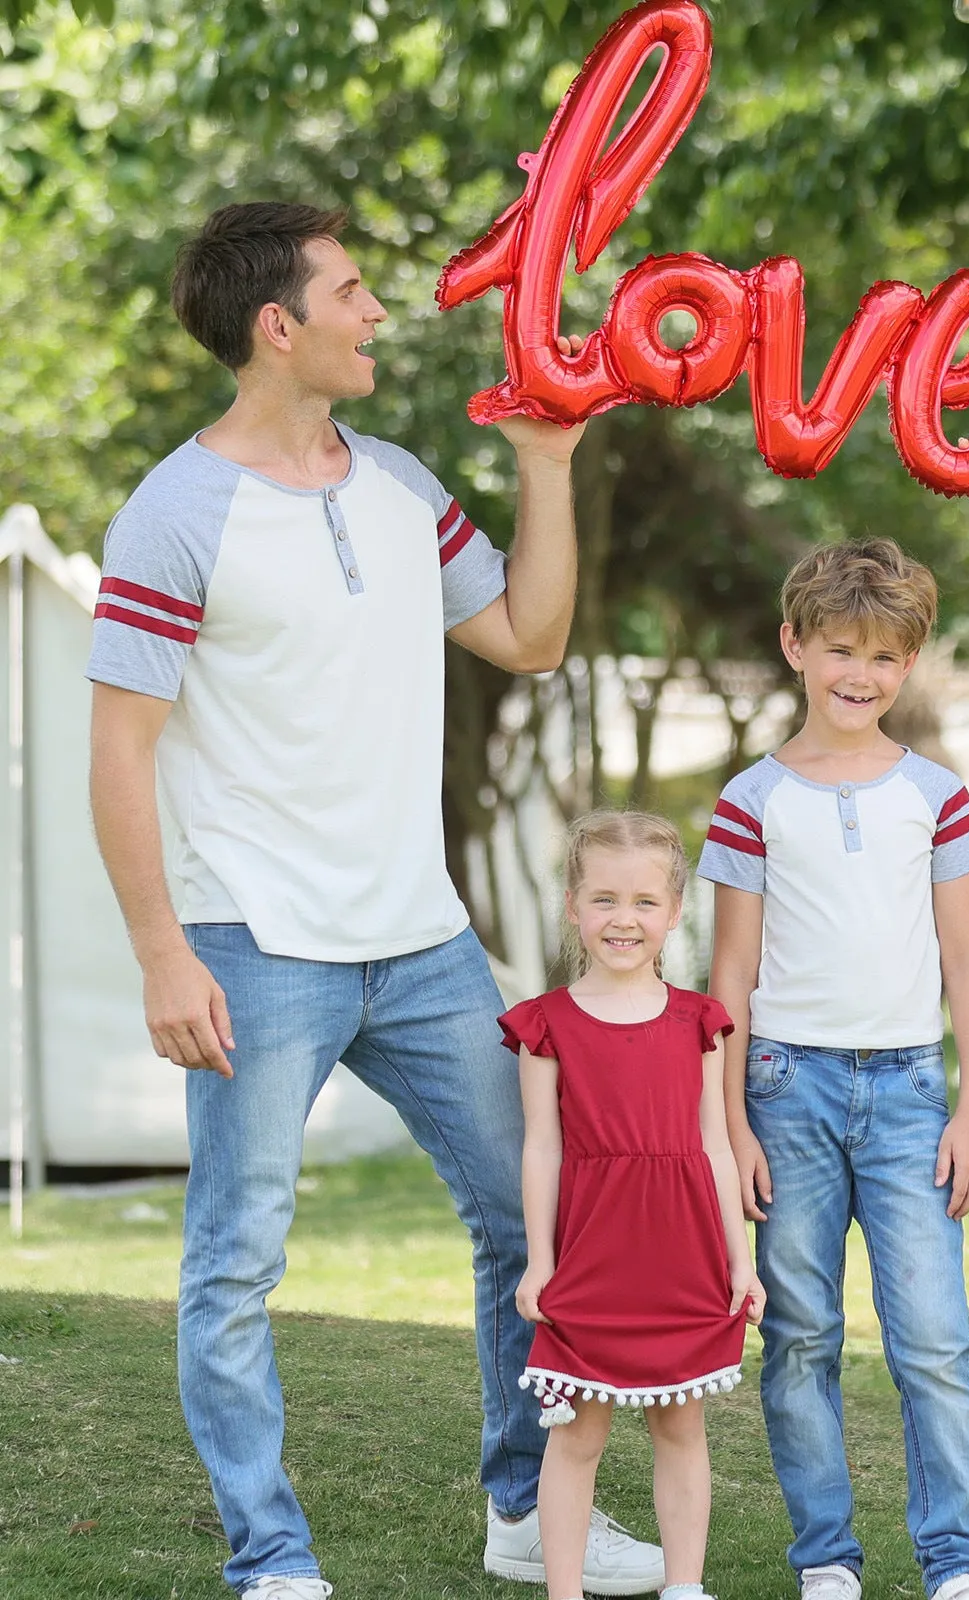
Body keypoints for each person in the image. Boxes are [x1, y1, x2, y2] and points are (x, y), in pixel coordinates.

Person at [86, 202, 662, 1600]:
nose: (378, 314)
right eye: (353, 291)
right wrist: (164, 955)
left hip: (424, 945)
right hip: (254, 946)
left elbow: (529, 638)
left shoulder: (400, 483)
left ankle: (527, 1513)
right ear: (278, 326)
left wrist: (545, 466)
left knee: (534, 1218)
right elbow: (119, 749)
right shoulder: (176, 513)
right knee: (235, 1265)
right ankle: (269, 1557)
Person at [701, 538, 969, 1600]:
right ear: (794, 645)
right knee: (800, 1334)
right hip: (787, 1089)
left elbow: (967, 958)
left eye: (882, 655)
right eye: (838, 649)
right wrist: (729, 1125)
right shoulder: (751, 799)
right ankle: (825, 1555)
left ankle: (956, 1563)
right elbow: (728, 972)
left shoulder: (936, 794)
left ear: (909, 662)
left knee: (932, 1341)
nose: (858, 675)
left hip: (914, 1092)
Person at [499, 810, 766, 1600]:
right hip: (592, 1253)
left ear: (675, 911)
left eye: (646, 902)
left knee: (681, 1426)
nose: (625, 919)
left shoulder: (700, 1023)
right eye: (605, 899)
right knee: (576, 1433)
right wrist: (541, 1263)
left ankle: (685, 1586)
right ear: (574, 907)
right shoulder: (544, 1026)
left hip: (683, 1255)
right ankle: (564, 1592)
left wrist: (740, 1261)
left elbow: (715, 1144)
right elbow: (541, 1147)